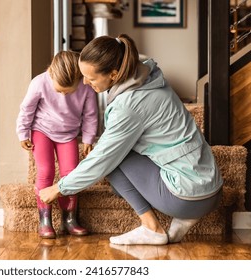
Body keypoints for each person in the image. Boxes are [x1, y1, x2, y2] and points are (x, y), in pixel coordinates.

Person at [39, 34, 223, 245]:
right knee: (117, 152)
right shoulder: (149, 78)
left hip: (186, 197)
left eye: (91, 78)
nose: (85, 83)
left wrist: (58, 188)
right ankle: (186, 215)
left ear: (114, 74)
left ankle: (151, 228)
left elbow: (102, 159)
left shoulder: (129, 105)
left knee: (112, 159)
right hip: (212, 189)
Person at [16, 50, 98, 239]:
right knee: (46, 172)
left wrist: (88, 138)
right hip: (41, 131)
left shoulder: (86, 87)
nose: (63, 95)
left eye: (68, 92)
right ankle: (45, 221)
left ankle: (69, 220)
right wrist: (23, 133)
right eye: (59, 91)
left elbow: (91, 114)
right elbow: (26, 110)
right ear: (51, 73)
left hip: (68, 134)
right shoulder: (39, 82)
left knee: (71, 174)